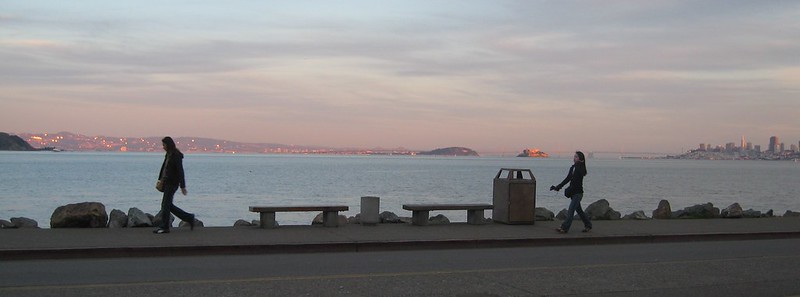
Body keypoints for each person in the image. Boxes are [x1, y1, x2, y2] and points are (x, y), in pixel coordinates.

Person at [154, 136, 195, 234]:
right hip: (167, 182)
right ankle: (189, 217)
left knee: (165, 205)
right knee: (168, 205)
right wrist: (160, 179)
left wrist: (182, 186)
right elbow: (164, 167)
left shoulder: (176, 155)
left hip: (172, 183)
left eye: (164, 145)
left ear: (168, 145)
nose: (163, 147)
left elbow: (180, 171)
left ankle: (165, 227)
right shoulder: (168, 154)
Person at [550, 151, 592, 233]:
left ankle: (564, 228)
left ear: (581, 159)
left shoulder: (580, 169)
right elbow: (567, 179)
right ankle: (588, 225)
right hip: (573, 193)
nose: (574, 158)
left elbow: (579, 176)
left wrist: (578, 164)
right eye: (574, 156)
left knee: (571, 210)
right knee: (579, 211)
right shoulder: (573, 168)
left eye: (576, 157)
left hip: (578, 193)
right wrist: (558, 187)